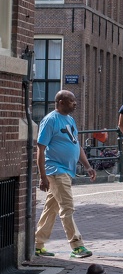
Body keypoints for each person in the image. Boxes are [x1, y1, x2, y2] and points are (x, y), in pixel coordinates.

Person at [34, 90, 95, 259]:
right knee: (67, 207)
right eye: (71, 101)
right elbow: (40, 149)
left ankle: (37, 244)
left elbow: (77, 145)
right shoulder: (50, 120)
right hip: (56, 170)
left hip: (67, 171)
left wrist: (88, 166)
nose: (75, 103)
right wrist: (42, 176)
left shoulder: (70, 120)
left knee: (51, 209)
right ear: (60, 102)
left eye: (75, 100)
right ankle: (77, 245)